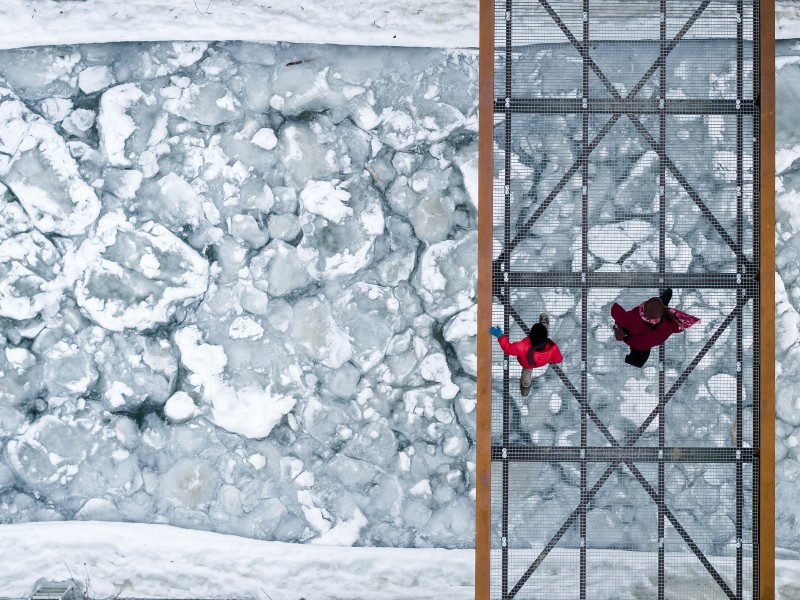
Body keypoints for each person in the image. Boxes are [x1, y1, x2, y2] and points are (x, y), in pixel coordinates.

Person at [611, 289, 699, 368]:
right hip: (643, 343)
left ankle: (662, 303)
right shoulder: (664, 327)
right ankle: (663, 303)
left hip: (637, 341)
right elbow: (677, 326)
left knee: (639, 356)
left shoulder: (629, 318)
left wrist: (620, 330)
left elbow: (615, 310)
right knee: (641, 352)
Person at [489, 313, 563, 397]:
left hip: (527, 364)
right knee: (527, 374)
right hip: (541, 361)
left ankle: (525, 387)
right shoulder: (553, 348)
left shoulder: (522, 347)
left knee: (526, 373)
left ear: (530, 336)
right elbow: (558, 359)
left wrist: (500, 336)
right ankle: (543, 326)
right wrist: (548, 357)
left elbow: (508, 349)